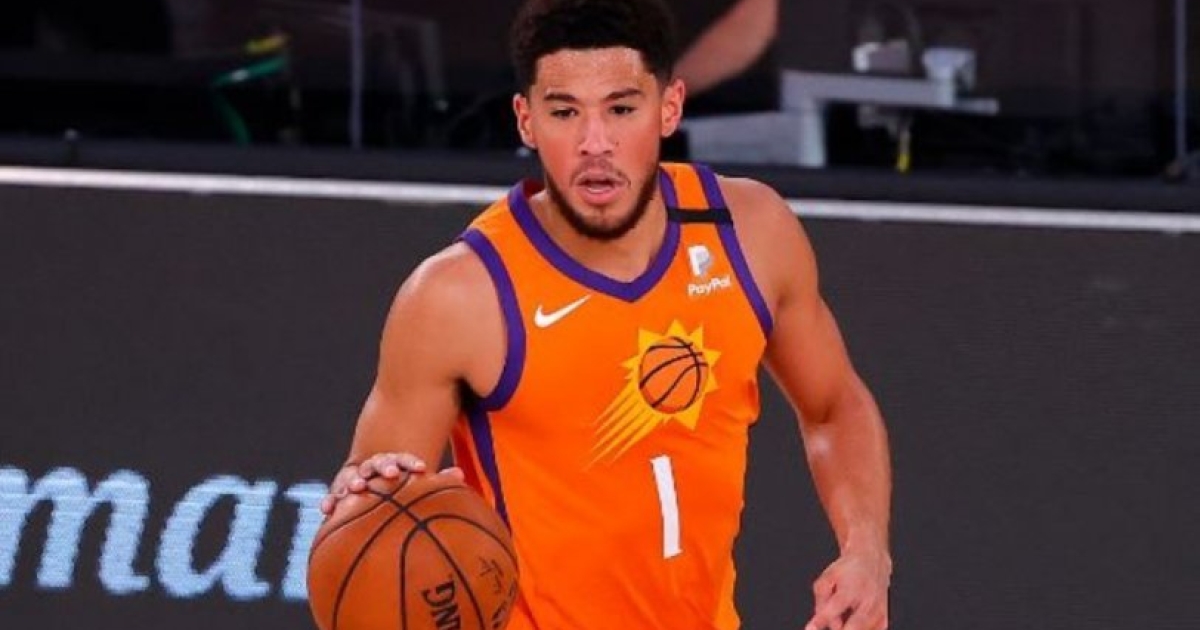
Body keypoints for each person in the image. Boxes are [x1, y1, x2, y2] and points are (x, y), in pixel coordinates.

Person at [318, 1, 892, 628]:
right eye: (565, 112)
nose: (595, 144)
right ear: (527, 120)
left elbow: (834, 406)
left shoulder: (749, 233)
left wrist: (866, 551)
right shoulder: (459, 295)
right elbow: (373, 522)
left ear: (669, 107)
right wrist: (364, 492)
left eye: (621, 109)